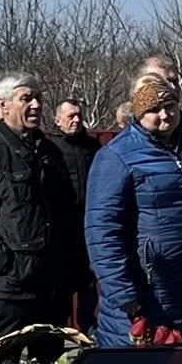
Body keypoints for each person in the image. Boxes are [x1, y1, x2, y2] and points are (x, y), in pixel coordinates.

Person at [85, 76, 182, 346]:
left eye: (170, 105)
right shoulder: (116, 157)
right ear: (138, 113)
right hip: (149, 299)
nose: (164, 115)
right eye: (153, 110)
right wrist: (127, 299)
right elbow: (102, 233)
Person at [0, 72, 84, 344]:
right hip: (8, 291)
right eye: (26, 99)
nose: (36, 105)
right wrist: (11, 264)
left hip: (51, 288)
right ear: (3, 105)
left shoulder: (50, 151)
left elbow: (66, 212)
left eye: (38, 98)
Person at [49, 97, 102, 332]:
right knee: (61, 284)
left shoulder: (92, 147)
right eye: (71, 116)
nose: (76, 120)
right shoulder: (50, 147)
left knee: (89, 283)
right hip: (62, 230)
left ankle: (88, 330)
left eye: (79, 115)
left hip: (88, 226)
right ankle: (59, 332)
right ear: (57, 120)